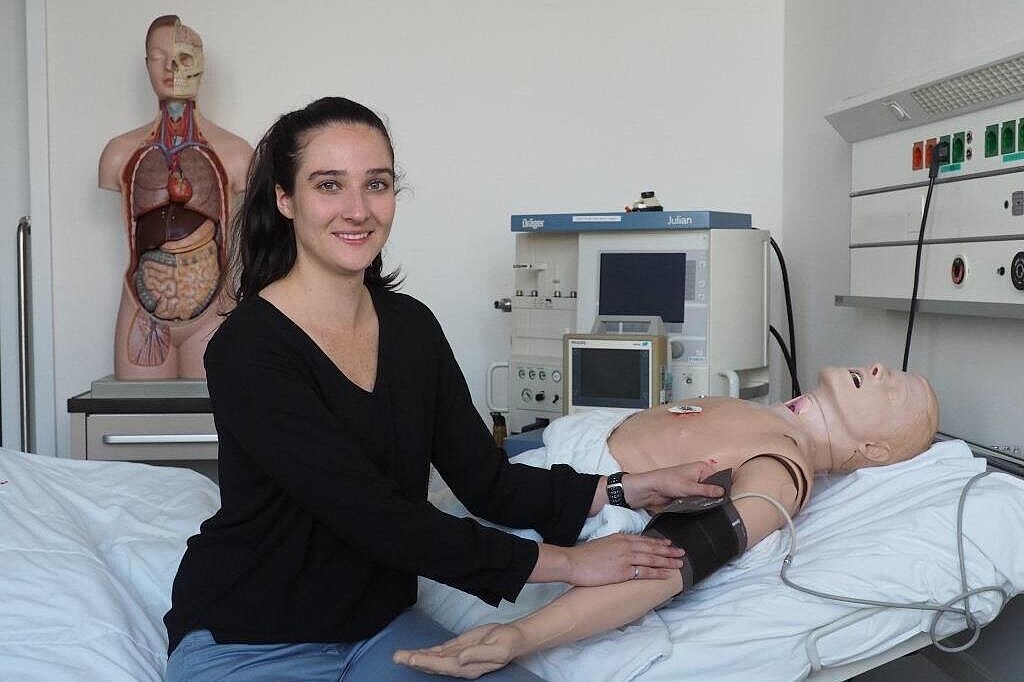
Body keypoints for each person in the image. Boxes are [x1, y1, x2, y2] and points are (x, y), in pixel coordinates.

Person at [161, 96, 726, 682]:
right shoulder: (247, 348)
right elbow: (372, 515)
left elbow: (488, 480)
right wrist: (570, 564)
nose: (357, 210)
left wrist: (625, 490)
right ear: (285, 199)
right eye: (329, 185)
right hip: (247, 639)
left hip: (378, 629)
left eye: (375, 185)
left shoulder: (411, 328)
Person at [394, 363, 940, 679]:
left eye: (896, 388)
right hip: (532, 485)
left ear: (872, 449)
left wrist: (520, 635)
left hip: (542, 514)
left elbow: (674, 558)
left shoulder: (782, 468)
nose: (879, 369)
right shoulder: (772, 419)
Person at [98, 15, 252, 379]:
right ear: (146, 64)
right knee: (141, 425)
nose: (170, 66)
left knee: (213, 427)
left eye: (183, 56)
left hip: (215, 311)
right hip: (142, 309)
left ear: (200, 65)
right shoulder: (119, 154)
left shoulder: (236, 154)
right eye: (157, 55)